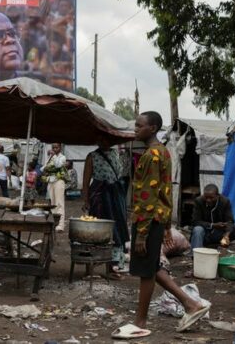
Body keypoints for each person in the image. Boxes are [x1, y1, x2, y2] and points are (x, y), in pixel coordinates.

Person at [112, 111, 210, 340]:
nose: (135, 129)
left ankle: (141, 320)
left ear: (153, 128)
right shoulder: (163, 152)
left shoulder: (152, 156)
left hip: (147, 221)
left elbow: (148, 196)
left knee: (147, 270)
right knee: (152, 266)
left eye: (140, 125)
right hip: (156, 220)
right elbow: (164, 191)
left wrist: (140, 234)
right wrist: (166, 227)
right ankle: (189, 303)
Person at [82, 138, 129, 274]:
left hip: (116, 196)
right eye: (101, 139)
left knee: (117, 228)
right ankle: (93, 264)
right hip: (100, 198)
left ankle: (112, 266)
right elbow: (85, 182)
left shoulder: (116, 154)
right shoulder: (92, 157)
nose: (104, 142)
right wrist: (86, 201)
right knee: (99, 230)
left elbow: (120, 175)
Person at [190, 184, 235, 249]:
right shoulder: (198, 201)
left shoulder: (225, 201)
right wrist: (213, 225)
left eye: (211, 198)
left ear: (217, 196)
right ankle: (196, 255)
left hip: (220, 233)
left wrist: (226, 235)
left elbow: (230, 221)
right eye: (206, 197)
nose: (208, 200)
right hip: (206, 234)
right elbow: (195, 221)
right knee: (198, 229)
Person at [44, 143, 67, 232]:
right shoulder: (50, 157)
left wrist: (53, 156)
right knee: (53, 203)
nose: (54, 149)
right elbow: (45, 167)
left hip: (59, 181)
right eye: (53, 147)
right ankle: (55, 223)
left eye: (56, 147)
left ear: (60, 148)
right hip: (51, 181)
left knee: (59, 203)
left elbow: (58, 165)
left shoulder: (62, 157)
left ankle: (61, 225)